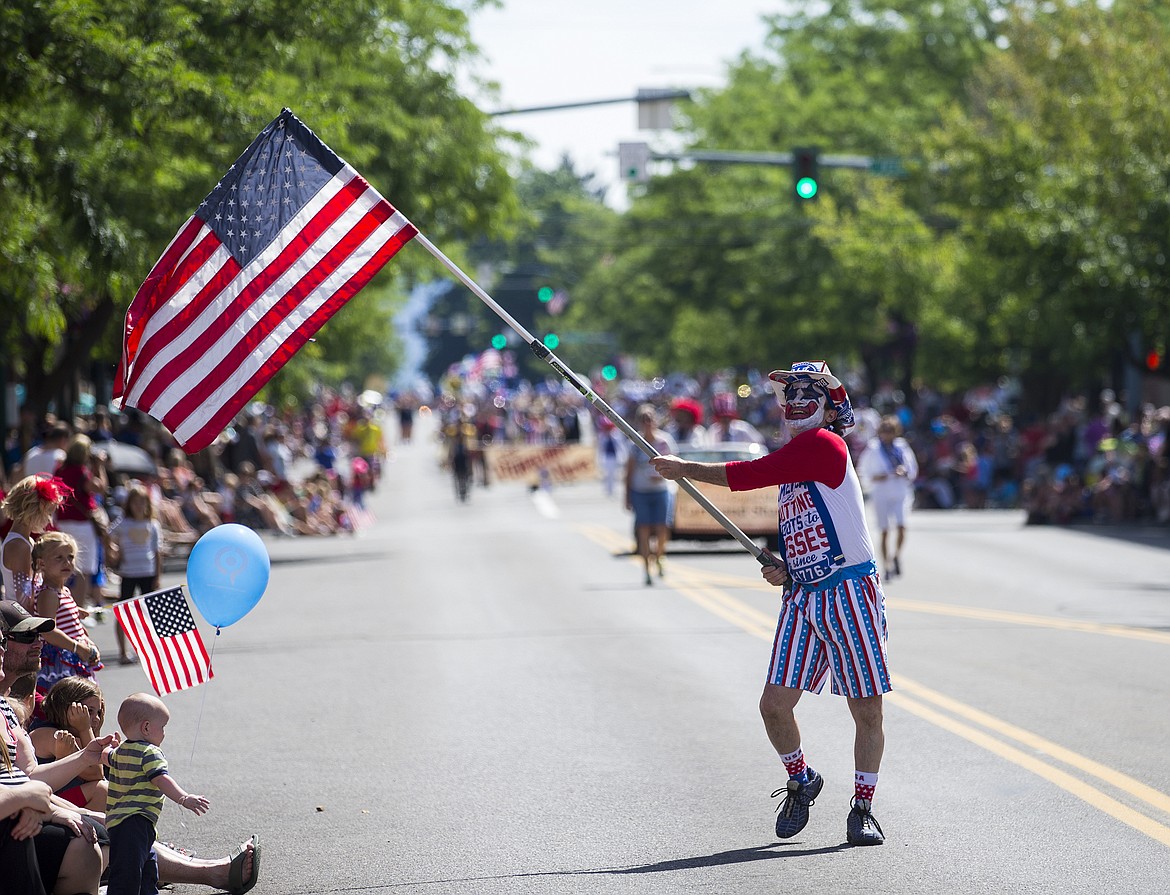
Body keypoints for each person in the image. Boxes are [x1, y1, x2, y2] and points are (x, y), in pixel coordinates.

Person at [650, 361, 890, 846]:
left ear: (826, 404)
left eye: (807, 391)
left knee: (866, 711)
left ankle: (862, 808)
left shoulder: (823, 445)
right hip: (803, 597)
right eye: (789, 393)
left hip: (848, 593)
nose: (795, 400)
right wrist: (787, 565)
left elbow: (749, 474)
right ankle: (802, 778)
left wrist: (684, 469)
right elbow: (806, 525)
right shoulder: (797, 457)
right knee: (773, 706)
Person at [0, 603, 261, 894]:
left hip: (30, 806)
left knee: (112, 822)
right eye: (25, 636)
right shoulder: (15, 708)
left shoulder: (7, 708)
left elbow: (28, 777)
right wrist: (49, 806)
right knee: (103, 833)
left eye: (39, 635)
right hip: (14, 818)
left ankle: (210, 871)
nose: (39, 642)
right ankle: (212, 873)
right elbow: (25, 785)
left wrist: (81, 762)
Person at [106, 693, 210, 895]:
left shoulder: (119, 752)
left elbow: (105, 757)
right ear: (146, 727)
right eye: (162, 727)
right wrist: (183, 798)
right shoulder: (149, 752)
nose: (164, 733)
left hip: (118, 823)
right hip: (136, 820)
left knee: (145, 866)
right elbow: (161, 779)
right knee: (128, 874)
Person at [32, 532, 102, 695]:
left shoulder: (63, 591)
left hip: (73, 654)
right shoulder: (48, 593)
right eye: (59, 558)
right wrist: (77, 647)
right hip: (61, 659)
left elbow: (63, 617)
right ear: (41, 563)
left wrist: (74, 612)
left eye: (70, 557)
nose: (67, 562)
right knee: (68, 703)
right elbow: (48, 630)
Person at [27, 675, 109, 812]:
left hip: (64, 800)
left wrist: (94, 731)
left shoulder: (77, 734)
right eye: (89, 711)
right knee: (101, 790)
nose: (96, 718)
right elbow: (95, 773)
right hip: (46, 803)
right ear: (67, 708)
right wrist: (85, 728)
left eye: (99, 712)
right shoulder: (48, 734)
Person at [51, 434, 109, 615]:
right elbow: (101, 488)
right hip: (82, 525)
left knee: (64, 567)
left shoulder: (60, 470)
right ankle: (77, 611)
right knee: (83, 569)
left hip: (63, 523)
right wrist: (99, 465)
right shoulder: (83, 472)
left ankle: (64, 609)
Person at [106, 483, 162, 664]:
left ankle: (148, 650)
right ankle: (123, 652)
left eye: (142, 502)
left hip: (148, 572)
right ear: (129, 504)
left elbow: (157, 551)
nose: (139, 506)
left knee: (148, 613)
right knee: (123, 612)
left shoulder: (152, 524)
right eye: (135, 502)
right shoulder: (123, 523)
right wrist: (113, 551)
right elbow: (107, 534)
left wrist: (158, 576)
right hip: (129, 573)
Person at [858, 415, 919, 579]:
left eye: (890, 431)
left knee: (901, 526)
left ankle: (897, 555)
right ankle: (886, 565)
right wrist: (878, 477)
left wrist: (905, 472)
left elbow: (912, 467)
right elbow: (863, 470)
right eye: (884, 431)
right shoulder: (874, 448)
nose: (887, 434)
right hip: (881, 493)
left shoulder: (901, 447)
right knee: (884, 530)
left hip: (900, 491)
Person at [1, 474, 71, 610]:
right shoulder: (19, 546)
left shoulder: (25, 541)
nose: (49, 520)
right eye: (48, 513)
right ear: (35, 511)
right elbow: (24, 597)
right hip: (22, 621)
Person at [625, 404, 677, 586]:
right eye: (644, 419)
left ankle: (660, 556)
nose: (647, 422)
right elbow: (629, 471)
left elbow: (677, 464)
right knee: (644, 529)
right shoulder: (634, 443)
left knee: (662, 527)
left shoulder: (664, 441)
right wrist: (627, 495)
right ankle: (647, 568)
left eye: (650, 418)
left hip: (661, 490)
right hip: (641, 491)